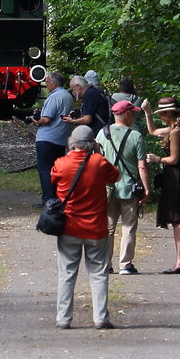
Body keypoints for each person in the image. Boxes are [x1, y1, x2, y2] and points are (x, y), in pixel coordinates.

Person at [52, 125, 121, 329]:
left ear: (71, 143)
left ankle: (63, 319)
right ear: (92, 144)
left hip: (69, 228)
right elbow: (115, 176)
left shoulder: (61, 163)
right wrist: (98, 153)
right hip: (96, 229)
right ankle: (100, 318)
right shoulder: (99, 162)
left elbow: (53, 180)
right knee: (99, 274)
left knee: (66, 273)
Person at [142, 97, 180, 273]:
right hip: (178, 175)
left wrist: (156, 159)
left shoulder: (175, 132)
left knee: (178, 218)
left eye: (162, 114)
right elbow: (152, 131)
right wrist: (147, 112)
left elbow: (174, 159)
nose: (161, 117)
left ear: (169, 113)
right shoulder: (175, 128)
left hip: (176, 176)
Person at [96, 100, 151, 275]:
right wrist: (147, 188)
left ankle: (105, 264)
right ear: (127, 114)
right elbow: (142, 165)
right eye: (133, 113)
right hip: (129, 188)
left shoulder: (102, 133)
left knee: (108, 228)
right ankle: (125, 265)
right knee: (128, 227)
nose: (135, 116)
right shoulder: (135, 136)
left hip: (107, 189)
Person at [28, 71, 73, 206]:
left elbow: (47, 119)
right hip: (61, 138)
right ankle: (57, 198)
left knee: (45, 169)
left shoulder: (54, 97)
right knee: (56, 169)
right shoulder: (68, 96)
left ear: (53, 83)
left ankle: (48, 200)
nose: (46, 84)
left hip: (48, 138)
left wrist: (36, 121)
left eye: (47, 82)